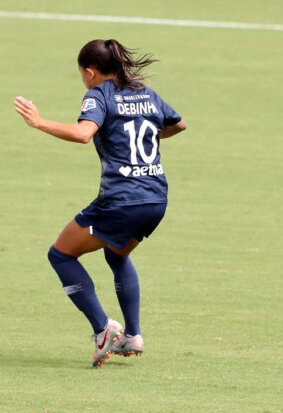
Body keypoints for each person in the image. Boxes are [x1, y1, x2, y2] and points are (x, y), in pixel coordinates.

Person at [14, 38, 186, 368]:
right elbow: (178, 124)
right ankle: (132, 334)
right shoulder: (145, 93)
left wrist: (39, 122)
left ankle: (103, 329)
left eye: (82, 74)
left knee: (60, 254)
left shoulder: (99, 95)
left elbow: (83, 133)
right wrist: (142, 128)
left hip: (122, 200)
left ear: (90, 72)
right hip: (156, 199)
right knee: (117, 253)